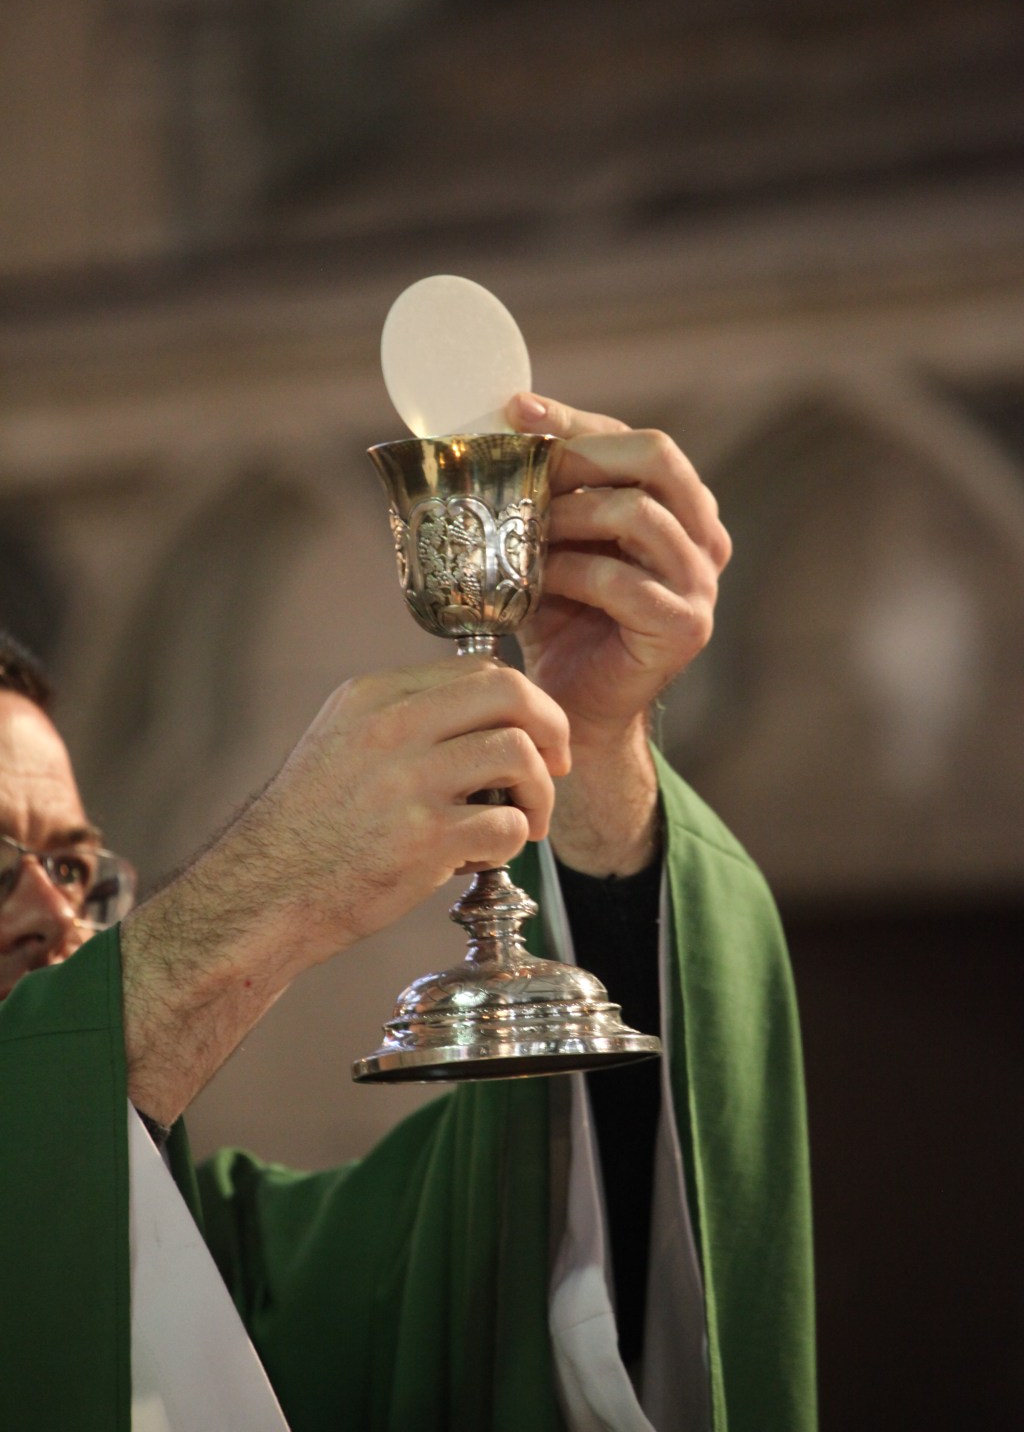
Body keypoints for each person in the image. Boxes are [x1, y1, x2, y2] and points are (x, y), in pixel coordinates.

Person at [0, 395, 816, 1432]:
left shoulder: (208, 1267)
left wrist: (595, 752)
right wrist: (269, 886)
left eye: (74, 867)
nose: (48, 909)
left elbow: (519, 1274)